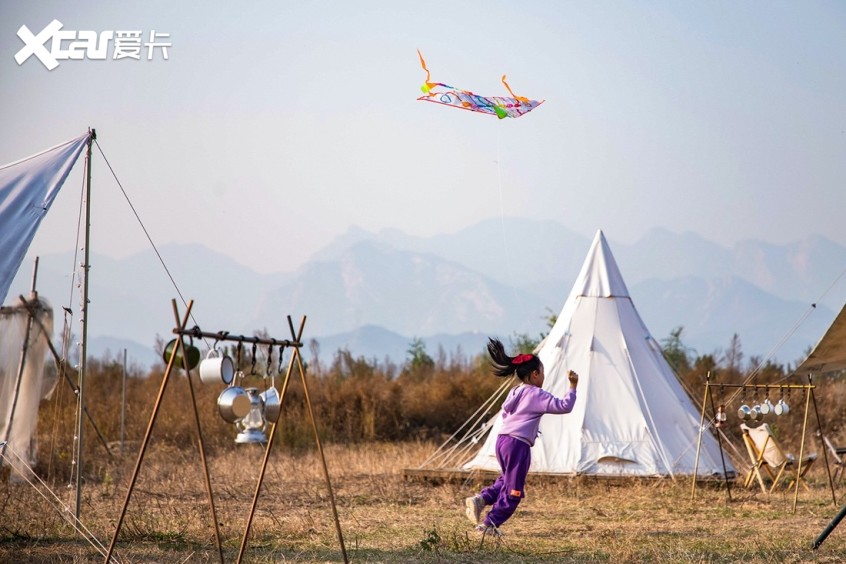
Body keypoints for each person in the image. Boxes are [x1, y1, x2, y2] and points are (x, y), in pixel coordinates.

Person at [465, 337, 579, 537]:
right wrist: (572, 386)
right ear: (535, 374)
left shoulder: (515, 391)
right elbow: (564, 406)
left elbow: (506, 412)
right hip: (518, 445)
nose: (543, 377)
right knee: (514, 491)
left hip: (502, 441)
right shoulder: (537, 394)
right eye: (542, 373)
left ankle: (481, 500)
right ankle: (487, 525)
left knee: (507, 479)